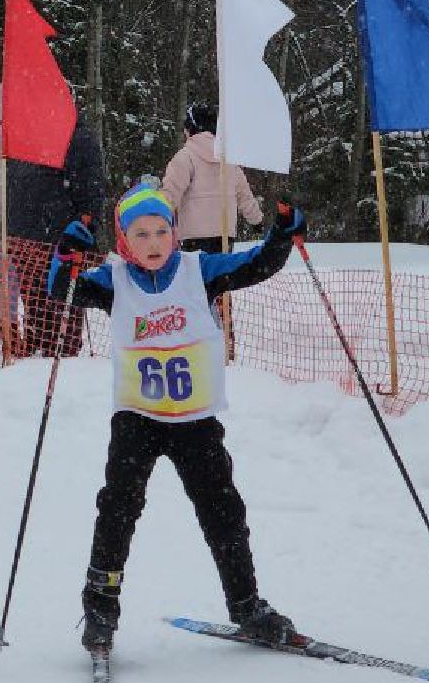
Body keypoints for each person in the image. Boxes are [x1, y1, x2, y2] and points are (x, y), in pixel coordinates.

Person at [47, 179, 305, 654]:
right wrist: (65, 255)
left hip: (195, 422)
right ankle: (100, 611)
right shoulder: (114, 280)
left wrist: (283, 234)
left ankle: (247, 606)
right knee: (118, 512)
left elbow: (257, 265)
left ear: (174, 233)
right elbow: (61, 291)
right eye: (140, 234)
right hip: (137, 420)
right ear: (125, 240)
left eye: (161, 232)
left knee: (223, 512)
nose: (153, 244)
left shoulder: (198, 271)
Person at [0, 115, 106, 357]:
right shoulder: (26, 132)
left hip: (59, 234)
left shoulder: (77, 136)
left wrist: (87, 223)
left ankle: (60, 352)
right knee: (36, 303)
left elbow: (91, 186)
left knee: (61, 302)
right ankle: (39, 346)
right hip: (26, 233)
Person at [162, 104, 263, 252]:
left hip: (192, 238)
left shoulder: (185, 157)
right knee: (221, 274)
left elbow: (170, 195)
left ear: (190, 129)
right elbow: (245, 197)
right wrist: (257, 221)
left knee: (196, 275)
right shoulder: (228, 160)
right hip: (224, 236)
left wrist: (155, 218)